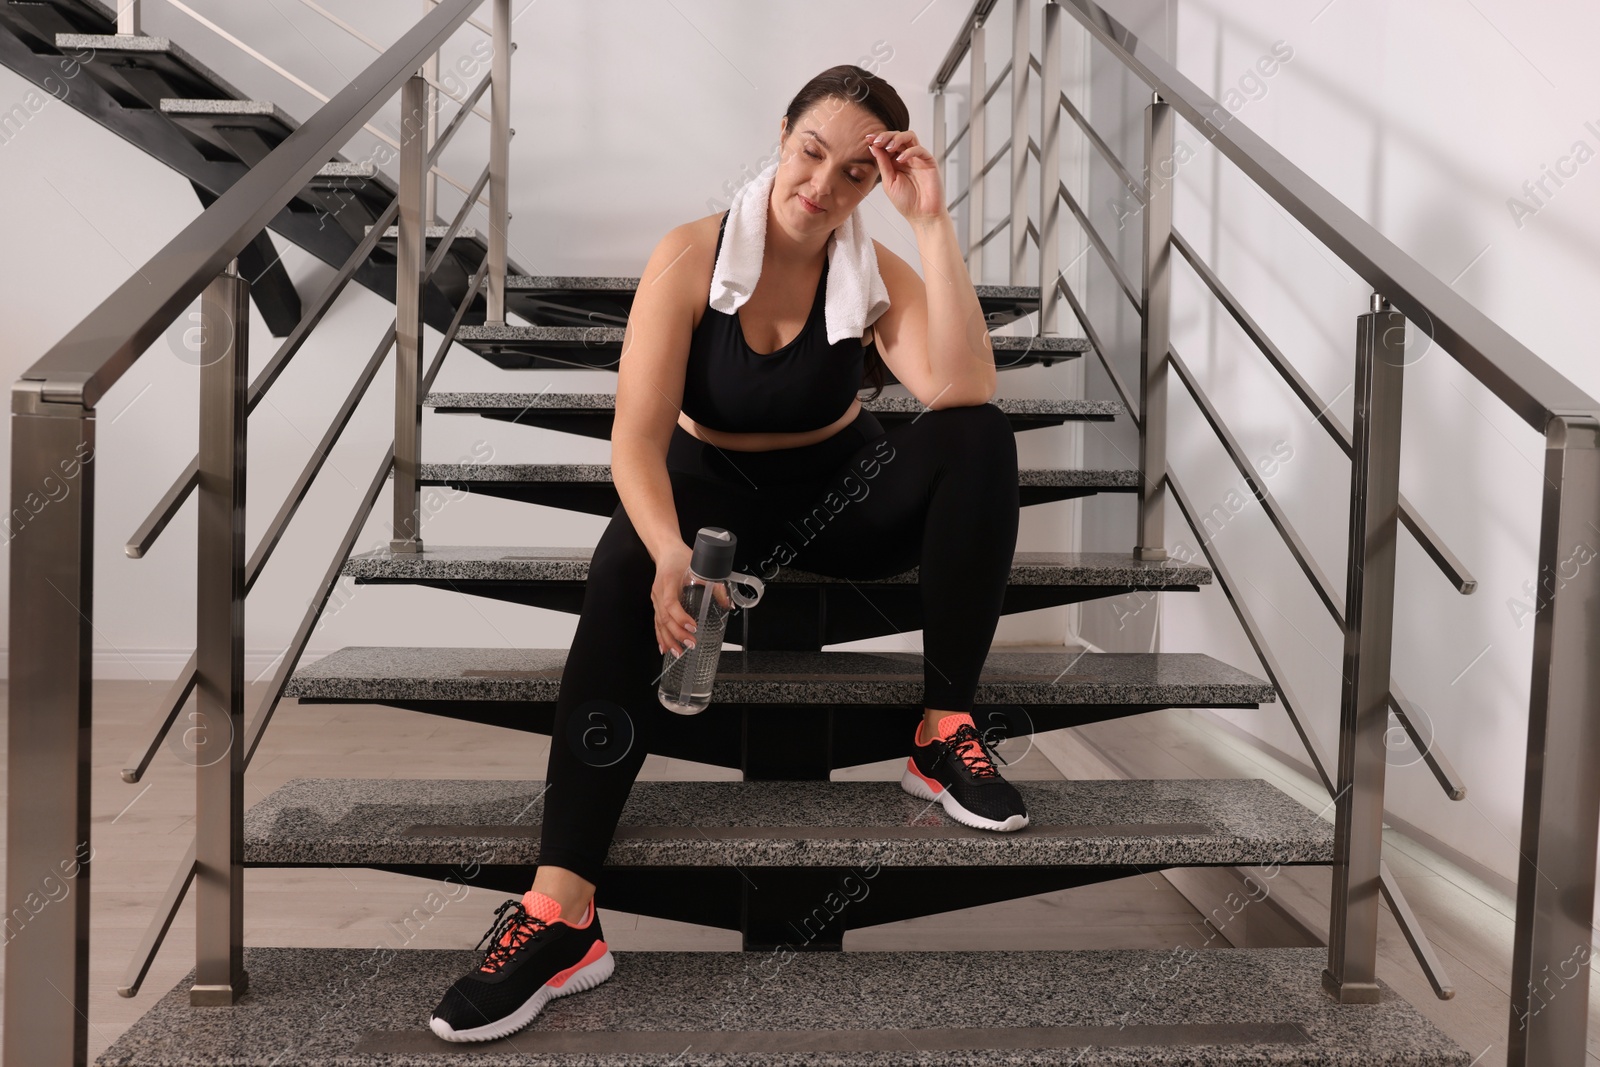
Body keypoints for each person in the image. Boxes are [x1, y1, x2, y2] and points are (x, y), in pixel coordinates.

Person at [428, 63, 1024, 1043]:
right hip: (711, 493)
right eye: (809, 154)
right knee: (623, 561)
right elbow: (634, 437)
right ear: (780, 139)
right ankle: (560, 913)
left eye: (851, 177)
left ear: (872, 187)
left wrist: (929, 221)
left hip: (840, 491)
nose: (820, 188)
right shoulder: (687, 257)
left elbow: (961, 388)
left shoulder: (874, 270)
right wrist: (668, 549)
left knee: (979, 436)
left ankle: (941, 727)